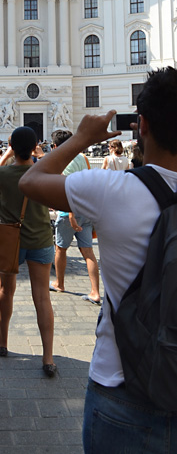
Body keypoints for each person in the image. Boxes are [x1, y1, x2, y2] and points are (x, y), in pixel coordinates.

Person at [18, 67, 177, 453]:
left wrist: (80, 138)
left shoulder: (113, 190)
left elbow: (31, 181)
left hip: (122, 390)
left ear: (141, 125)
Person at [0, 126, 56, 377]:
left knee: (6, 290)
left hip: (10, 241)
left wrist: (5, 155)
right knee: (42, 297)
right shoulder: (43, 170)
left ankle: (2, 341)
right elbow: (55, 167)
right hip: (41, 239)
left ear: (13, 146)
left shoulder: (4, 173)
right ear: (35, 145)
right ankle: (48, 357)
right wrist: (39, 153)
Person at [48, 130, 101, 305]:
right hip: (86, 210)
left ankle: (59, 283)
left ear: (55, 146)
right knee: (88, 252)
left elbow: (69, 187)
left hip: (69, 211)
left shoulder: (62, 161)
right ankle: (95, 292)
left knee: (60, 249)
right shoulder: (82, 158)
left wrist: (71, 214)